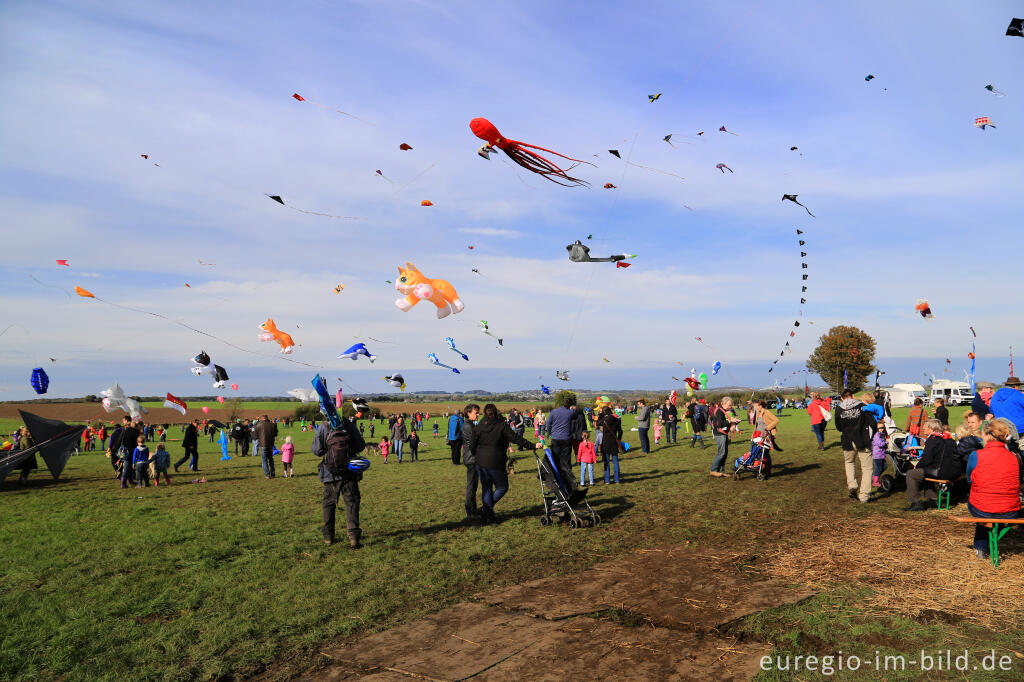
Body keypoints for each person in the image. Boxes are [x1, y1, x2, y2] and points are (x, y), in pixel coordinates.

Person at [464, 403, 540, 523]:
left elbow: (472, 446)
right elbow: (516, 438)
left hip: (481, 463)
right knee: (502, 487)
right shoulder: (501, 426)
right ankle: (487, 511)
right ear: (495, 412)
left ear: (484, 413)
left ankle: (487, 514)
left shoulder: (479, 427)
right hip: (495, 462)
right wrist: (532, 445)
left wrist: (478, 455)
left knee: (487, 489)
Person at [965, 418, 1021, 559]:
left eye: (983, 436)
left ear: (989, 436)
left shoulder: (976, 455)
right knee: (993, 509)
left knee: (981, 508)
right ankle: (992, 537)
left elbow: (969, 478)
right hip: (1010, 511)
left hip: (982, 508)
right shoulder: (1015, 457)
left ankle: (981, 548)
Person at [311, 413, 367, 548]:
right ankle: (354, 537)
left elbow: (317, 450)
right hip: (349, 472)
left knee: (329, 504)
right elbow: (360, 446)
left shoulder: (323, 426)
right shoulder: (348, 424)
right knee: (352, 503)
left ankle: (328, 537)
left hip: (329, 473)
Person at [905, 418, 961, 511]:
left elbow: (927, 459)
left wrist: (916, 466)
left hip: (942, 472)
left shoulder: (933, 439)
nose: (923, 430)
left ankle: (916, 502)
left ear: (931, 428)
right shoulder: (948, 438)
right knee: (927, 470)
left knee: (911, 474)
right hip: (953, 471)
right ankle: (933, 498)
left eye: (925, 428)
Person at [836, 390, 875, 503]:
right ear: (853, 396)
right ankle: (864, 495)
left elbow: (838, 427)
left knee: (849, 462)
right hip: (862, 440)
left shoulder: (839, 409)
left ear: (842, 398)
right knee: (867, 468)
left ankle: (852, 485)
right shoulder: (862, 406)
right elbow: (872, 422)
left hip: (847, 441)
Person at [544, 397, 580, 497]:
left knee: (555, 459)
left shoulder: (554, 412)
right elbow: (576, 415)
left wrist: (549, 433)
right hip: (566, 439)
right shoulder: (570, 413)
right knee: (566, 460)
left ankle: (555, 477)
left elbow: (548, 423)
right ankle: (569, 479)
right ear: (569, 405)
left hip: (555, 438)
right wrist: (572, 409)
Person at [709, 398, 740, 476]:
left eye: (731, 405)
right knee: (721, 452)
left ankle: (721, 471)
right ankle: (713, 470)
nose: (730, 407)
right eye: (729, 405)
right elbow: (719, 424)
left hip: (724, 433)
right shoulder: (719, 411)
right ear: (723, 403)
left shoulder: (724, 411)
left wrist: (734, 420)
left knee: (725, 453)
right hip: (719, 434)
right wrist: (730, 421)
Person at [461, 404, 481, 519]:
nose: (478, 415)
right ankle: (470, 511)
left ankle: (473, 509)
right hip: (471, 459)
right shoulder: (468, 426)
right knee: (471, 486)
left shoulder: (470, 424)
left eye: (478, 413)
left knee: (473, 486)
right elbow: (472, 444)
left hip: (472, 458)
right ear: (468, 413)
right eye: (476, 413)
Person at [598, 406, 623, 484]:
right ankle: (617, 479)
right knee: (615, 461)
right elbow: (620, 431)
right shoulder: (617, 420)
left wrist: (600, 415)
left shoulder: (604, 420)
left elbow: (598, 423)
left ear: (604, 412)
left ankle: (607, 480)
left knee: (607, 461)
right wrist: (618, 439)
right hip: (614, 441)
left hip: (606, 442)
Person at [871, 420, 888, 488]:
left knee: (885, 466)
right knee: (878, 468)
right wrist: (886, 442)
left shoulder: (882, 434)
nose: (881, 429)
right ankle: (875, 481)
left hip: (881, 455)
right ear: (877, 428)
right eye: (880, 428)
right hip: (877, 455)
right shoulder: (876, 436)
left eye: (882, 428)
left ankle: (876, 476)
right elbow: (880, 444)